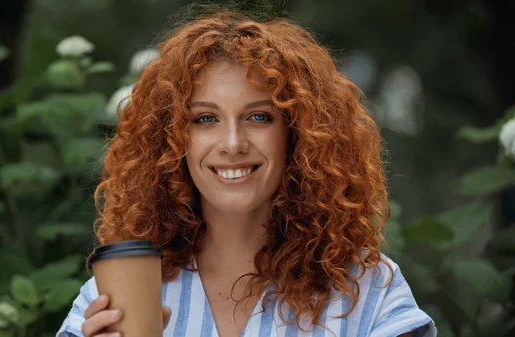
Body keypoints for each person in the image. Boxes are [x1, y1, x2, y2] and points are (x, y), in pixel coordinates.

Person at [57, 8, 436, 337]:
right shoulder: (110, 301)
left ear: (296, 133)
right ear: (171, 140)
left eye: (258, 117)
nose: (233, 143)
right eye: (206, 119)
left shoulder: (367, 291)